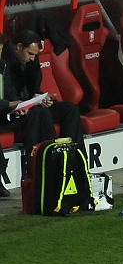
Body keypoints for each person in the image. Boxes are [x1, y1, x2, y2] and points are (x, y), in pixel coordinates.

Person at [1, 29, 84, 178]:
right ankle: (47, 167)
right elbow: (8, 95)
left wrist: (40, 97)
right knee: (39, 112)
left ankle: (75, 163)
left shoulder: (28, 61)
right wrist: (28, 102)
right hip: (10, 112)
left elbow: (30, 88)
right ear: (19, 47)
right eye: (30, 54)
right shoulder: (5, 62)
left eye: (35, 55)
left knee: (69, 109)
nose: (33, 58)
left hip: (27, 105)